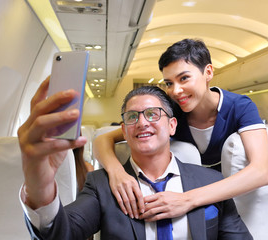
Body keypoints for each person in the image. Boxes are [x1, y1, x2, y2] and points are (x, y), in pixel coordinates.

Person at [18, 81, 253, 239]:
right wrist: (40, 185)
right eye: (132, 117)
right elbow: (61, 233)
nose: (142, 123)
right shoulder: (101, 185)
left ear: (172, 126)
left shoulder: (210, 181)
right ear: (124, 130)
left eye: (152, 114)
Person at [93, 38, 268, 220]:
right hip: (180, 202)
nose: (176, 91)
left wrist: (187, 199)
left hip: (226, 201)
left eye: (184, 78)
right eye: (169, 83)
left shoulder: (240, 107)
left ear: (208, 72)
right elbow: (102, 139)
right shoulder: (170, 113)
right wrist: (117, 174)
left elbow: (261, 172)